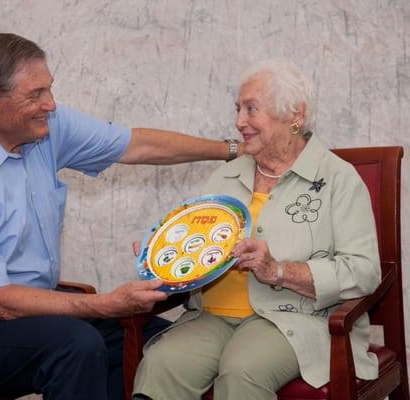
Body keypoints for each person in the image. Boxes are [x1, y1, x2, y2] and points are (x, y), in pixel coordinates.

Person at [0, 32, 242, 400]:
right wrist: (102, 304)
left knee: (160, 344)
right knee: (77, 346)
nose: (51, 104)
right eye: (35, 95)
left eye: (49, 89)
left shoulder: (41, 128)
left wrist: (234, 150)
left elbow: (138, 145)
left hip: (25, 302)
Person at [132, 58, 381, 400]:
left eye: (251, 109)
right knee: (161, 363)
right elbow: (200, 249)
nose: (239, 122)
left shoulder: (338, 179)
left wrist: (278, 269)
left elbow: (364, 272)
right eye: (238, 109)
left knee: (242, 370)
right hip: (210, 318)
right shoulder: (225, 177)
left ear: (295, 115)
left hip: (294, 319)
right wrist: (163, 260)